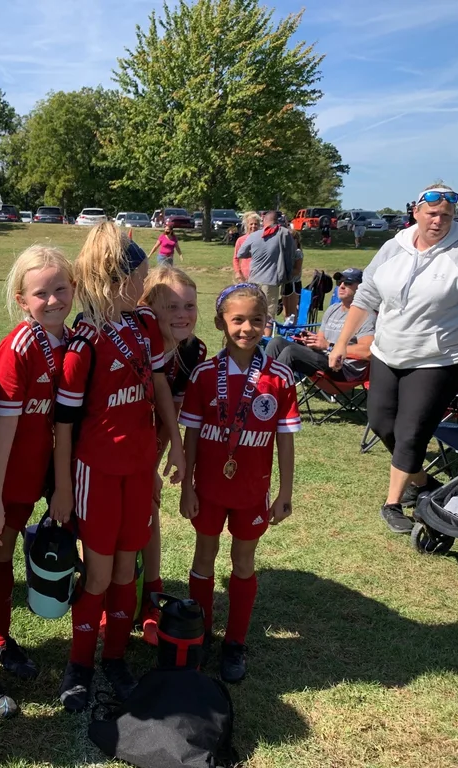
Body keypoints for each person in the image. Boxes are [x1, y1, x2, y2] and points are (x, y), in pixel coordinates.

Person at [51, 223, 185, 712]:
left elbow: (158, 386)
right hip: (96, 474)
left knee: (127, 568)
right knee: (100, 574)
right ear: (114, 279)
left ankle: (114, 658)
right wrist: (64, 487)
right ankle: (79, 665)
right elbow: (63, 423)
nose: (147, 285)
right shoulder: (84, 342)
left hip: (137, 467)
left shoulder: (145, 325)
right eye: (141, 277)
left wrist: (175, 446)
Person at [329, 184, 458, 533]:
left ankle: (394, 502)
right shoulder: (392, 247)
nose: (438, 221)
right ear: (416, 212)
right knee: (383, 424)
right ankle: (423, 482)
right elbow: (366, 296)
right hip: (388, 351)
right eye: (431, 214)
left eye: (445, 215)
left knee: (411, 431)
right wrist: (340, 343)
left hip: (441, 357)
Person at [0, 245, 74, 717]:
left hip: (25, 481)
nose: (52, 299)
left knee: (3, 558)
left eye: (60, 288)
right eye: (40, 292)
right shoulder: (20, 346)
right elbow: (2, 430)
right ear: (22, 299)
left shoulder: (72, 340)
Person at [179, 283, 300, 683]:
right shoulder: (203, 374)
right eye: (238, 319)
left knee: (243, 563)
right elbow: (192, 436)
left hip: (251, 491)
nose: (247, 328)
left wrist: (284, 491)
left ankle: (234, 643)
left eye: (256, 320)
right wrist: (187, 487)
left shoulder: (279, 377)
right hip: (209, 490)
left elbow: (284, 437)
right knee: (203, 557)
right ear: (220, 323)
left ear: (267, 324)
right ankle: (200, 635)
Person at [136, 266, 206, 645]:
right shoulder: (132, 339)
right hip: (105, 440)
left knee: (149, 507)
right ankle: (106, 592)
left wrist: (160, 455)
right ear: (148, 308)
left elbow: (172, 410)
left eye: (190, 305)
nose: (183, 314)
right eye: (172, 306)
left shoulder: (193, 350)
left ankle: (150, 596)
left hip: (151, 434)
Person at [265, 267, 375, 381]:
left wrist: (329, 346)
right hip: (323, 358)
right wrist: (311, 340)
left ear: (361, 287)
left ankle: (272, 392)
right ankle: (260, 385)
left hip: (343, 368)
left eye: (348, 283)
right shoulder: (333, 309)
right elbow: (321, 340)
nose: (341, 286)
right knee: (276, 342)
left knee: (291, 352)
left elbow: (367, 352)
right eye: (339, 282)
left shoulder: (365, 315)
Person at [234, 210, 296, 332]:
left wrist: (257, 252)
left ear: (263, 221)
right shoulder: (284, 233)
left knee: (253, 310)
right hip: (271, 280)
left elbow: (241, 253)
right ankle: (266, 340)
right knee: (268, 313)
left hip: (253, 280)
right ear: (276, 221)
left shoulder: (254, 236)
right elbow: (292, 253)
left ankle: (253, 335)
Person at [232, 212, 261, 281]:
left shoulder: (263, 239)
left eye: (256, 224)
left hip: (259, 275)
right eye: (251, 224)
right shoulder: (241, 240)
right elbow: (235, 258)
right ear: (247, 225)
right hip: (244, 275)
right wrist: (238, 272)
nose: (253, 226)